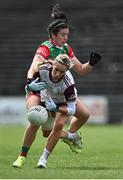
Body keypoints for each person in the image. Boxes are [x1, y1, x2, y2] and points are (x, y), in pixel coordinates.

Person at [13, 4, 101, 168]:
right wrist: (30, 81)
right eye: (63, 35)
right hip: (38, 90)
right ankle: (22, 157)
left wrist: (92, 63)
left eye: (67, 34)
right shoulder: (45, 48)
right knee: (34, 118)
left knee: (84, 114)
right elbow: (34, 66)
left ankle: (71, 136)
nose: (66, 38)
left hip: (56, 93)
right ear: (53, 35)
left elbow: (81, 70)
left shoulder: (67, 49)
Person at [28, 54, 87, 168]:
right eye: (56, 70)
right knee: (46, 133)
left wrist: (56, 108)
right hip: (47, 98)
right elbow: (31, 82)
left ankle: (43, 159)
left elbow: (71, 109)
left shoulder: (68, 84)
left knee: (58, 126)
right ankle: (71, 137)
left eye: (62, 72)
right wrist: (29, 87)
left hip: (61, 102)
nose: (58, 74)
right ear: (52, 65)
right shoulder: (42, 69)